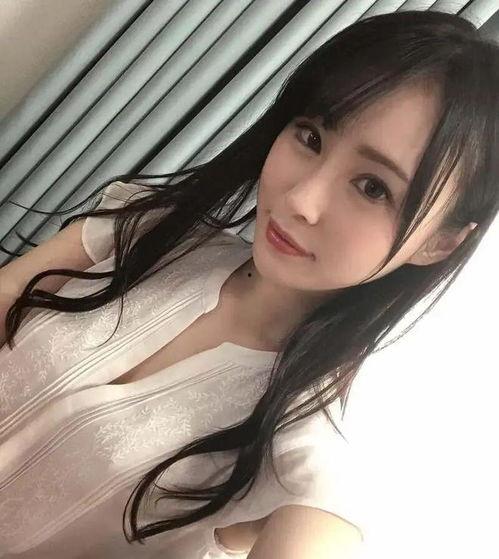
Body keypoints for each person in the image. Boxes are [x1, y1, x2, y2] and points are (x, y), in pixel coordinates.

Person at [0, 9, 498, 559]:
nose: (301, 199)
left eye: (373, 188)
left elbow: (322, 516)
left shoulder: (300, 443)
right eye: (310, 136)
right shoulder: (155, 230)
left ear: (440, 242)